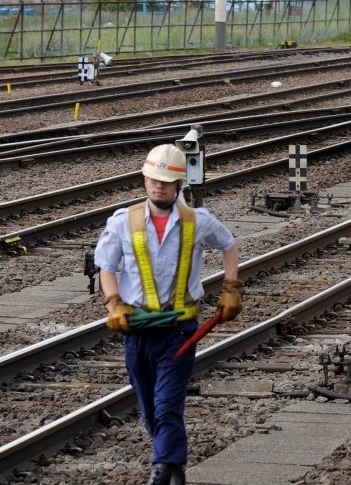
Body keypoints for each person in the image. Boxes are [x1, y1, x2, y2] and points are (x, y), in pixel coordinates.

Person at [94, 143, 242, 485]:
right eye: (153, 180)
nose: (159, 186)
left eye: (166, 181)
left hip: (180, 330)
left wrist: (231, 288)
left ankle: (162, 467)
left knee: (167, 402)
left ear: (178, 186)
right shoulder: (122, 222)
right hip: (136, 329)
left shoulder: (198, 221)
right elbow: (105, 266)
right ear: (144, 181)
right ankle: (175, 467)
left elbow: (228, 245)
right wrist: (113, 301)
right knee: (148, 405)